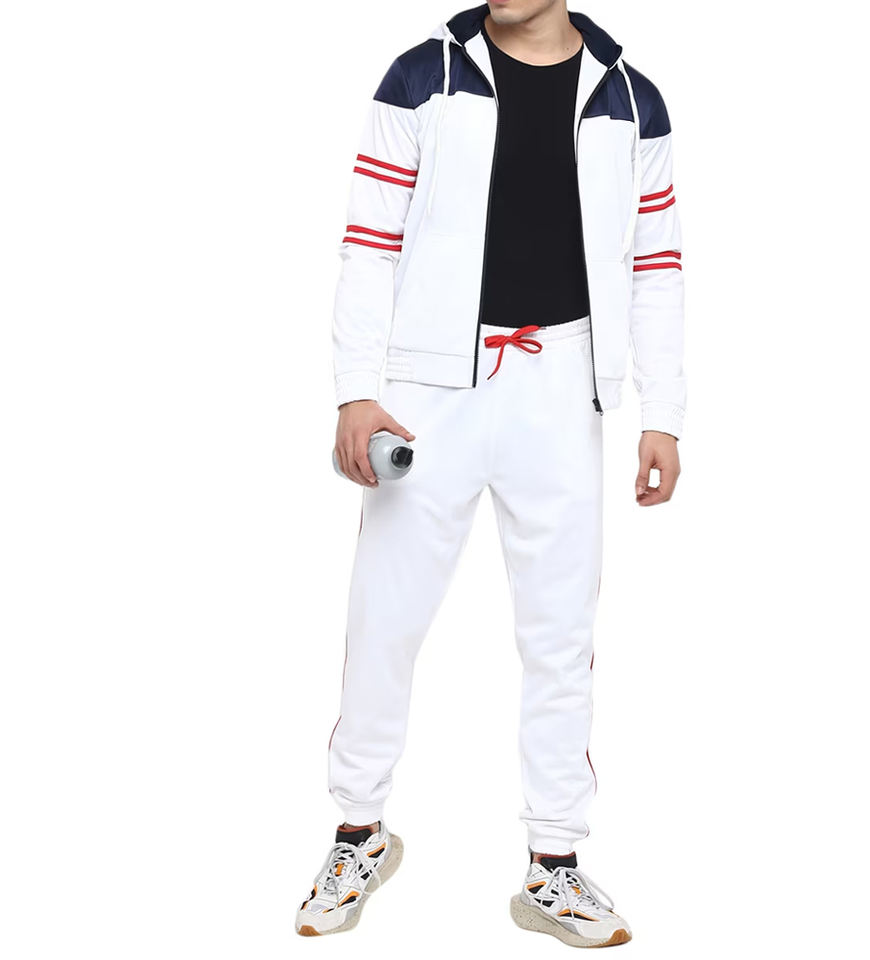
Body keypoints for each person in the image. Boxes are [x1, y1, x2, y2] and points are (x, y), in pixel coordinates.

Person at [295, 1, 685, 947]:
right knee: (384, 617)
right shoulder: (421, 77)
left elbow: (656, 264)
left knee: (561, 630)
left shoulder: (631, 98)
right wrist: (357, 391)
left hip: (565, 387)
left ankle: (555, 863)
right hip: (428, 389)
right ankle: (357, 832)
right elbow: (369, 238)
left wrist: (663, 413)